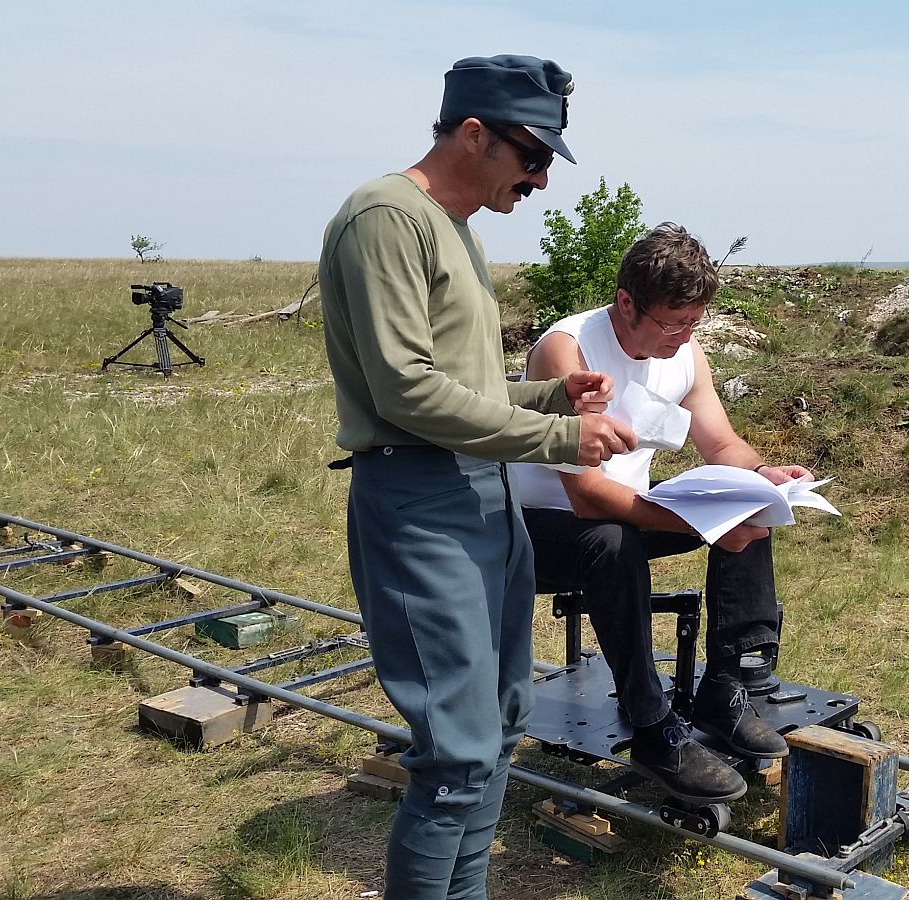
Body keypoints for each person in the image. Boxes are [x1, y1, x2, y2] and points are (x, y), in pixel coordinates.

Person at [317, 55, 636, 900]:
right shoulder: (386, 218)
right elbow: (407, 392)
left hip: (483, 497)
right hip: (423, 502)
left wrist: (551, 394)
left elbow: (468, 385)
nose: (540, 180)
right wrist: (560, 436)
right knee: (457, 751)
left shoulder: (456, 228)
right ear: (471, 134)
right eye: (531, 157)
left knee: (498, 728)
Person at [512, 223, 814, 804]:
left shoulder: (685, 352)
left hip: (620, 514)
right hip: (536, 523)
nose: (683, 336)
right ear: (626, 303)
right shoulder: (567, 349)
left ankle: (726, 685)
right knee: (611, 543)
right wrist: (697, 523)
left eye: (693, 322)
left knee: (749, 503)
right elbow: (586, 496)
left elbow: (721, 444)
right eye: (672, 323)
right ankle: (652, 726)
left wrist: (763, 475)